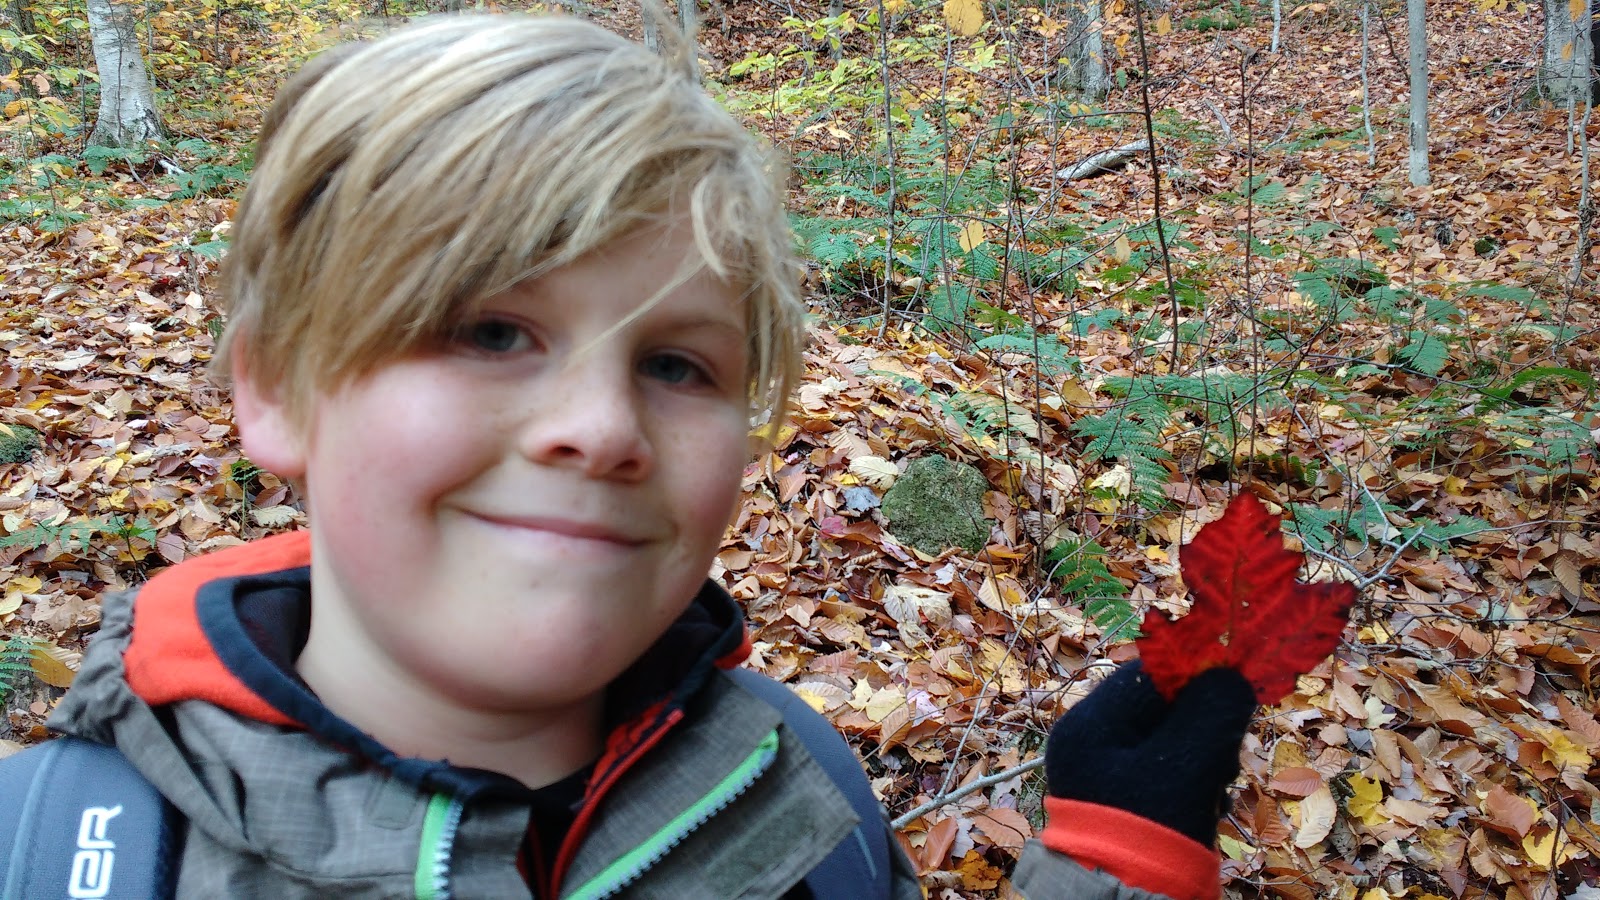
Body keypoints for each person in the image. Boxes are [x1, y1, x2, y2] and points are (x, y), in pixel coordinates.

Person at [9, 13, 1257, 899]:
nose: (602, 428)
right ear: (279, 388)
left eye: (674, 365)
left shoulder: (805, 812)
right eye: (491, 332)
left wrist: (1113, 864)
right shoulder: (59, 853)